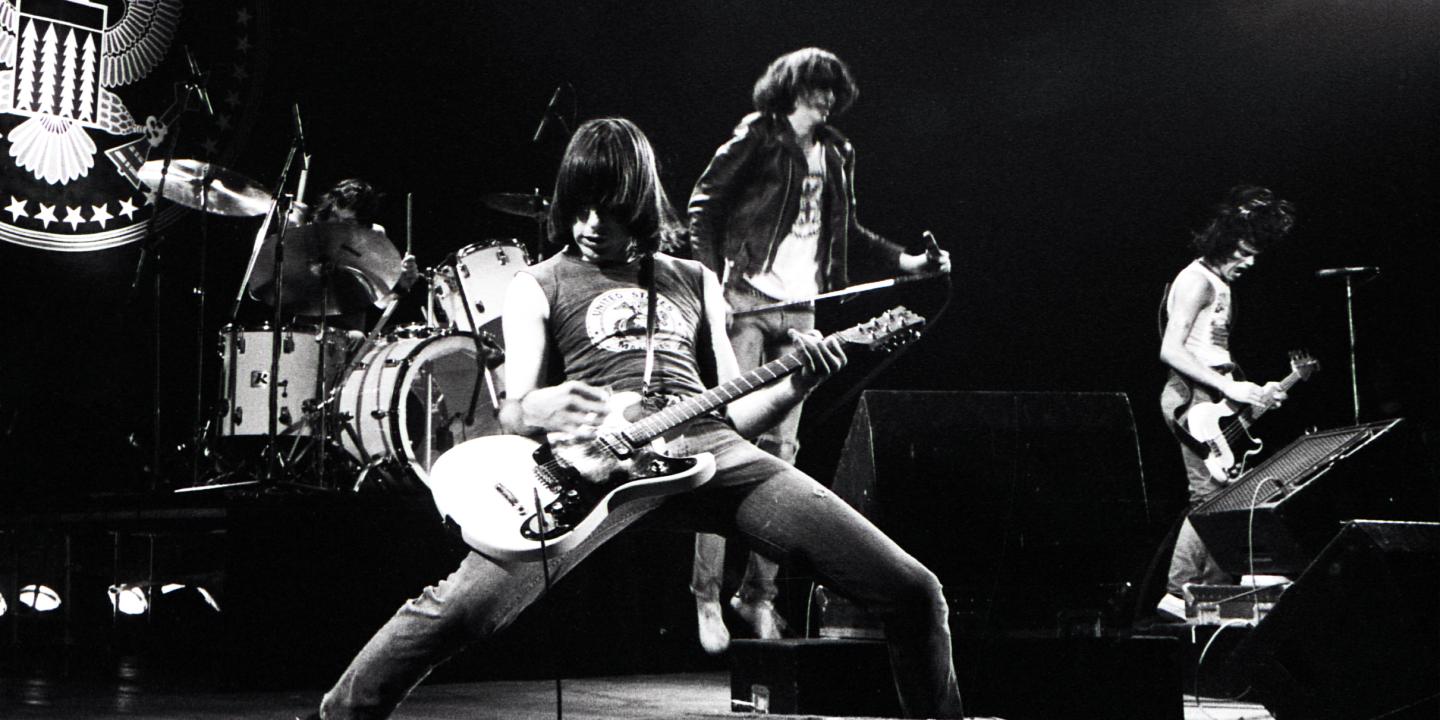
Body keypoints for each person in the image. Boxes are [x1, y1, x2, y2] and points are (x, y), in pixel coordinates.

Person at [310, 118, 963, 719]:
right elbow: (513, 410)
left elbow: (734, 413)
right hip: (595, 469)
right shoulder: (539, 282)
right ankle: (337, 714)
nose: (592, 223)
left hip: (710, 451)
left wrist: (800, 381)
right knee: (463, 608)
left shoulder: (693, 279)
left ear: (641, 205)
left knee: (914, 590)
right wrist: (535, 406)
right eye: (581, 206)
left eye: (611, 208)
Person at [685, 47, 951, 652]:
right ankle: (705, 595)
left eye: (833, 89)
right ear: (791, 88)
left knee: (782, 454)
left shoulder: (838, 151)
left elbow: (845, 230)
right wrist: (709, 284)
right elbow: (704, 204)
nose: (827, 98)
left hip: (803, 308)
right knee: (724, 448)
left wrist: (908, 263)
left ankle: (757, 596)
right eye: (816, 87)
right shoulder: (758, 136)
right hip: (746, 300)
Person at [1155, 184, 1296, 620]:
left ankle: (1213, 592)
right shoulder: (1196, 280)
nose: (1250, 262)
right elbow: (1171, 350)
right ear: (1223, 241)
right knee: (1209, 498)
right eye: (1244, 251)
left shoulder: (1219, 283)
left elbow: (1213, 353)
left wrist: (1250, 392)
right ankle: (1178, 593)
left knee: (1229, 494)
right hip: (1191, 397)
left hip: (1213, 394)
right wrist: (1230, 389)